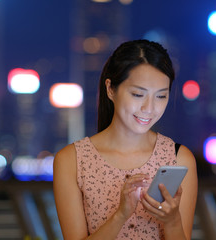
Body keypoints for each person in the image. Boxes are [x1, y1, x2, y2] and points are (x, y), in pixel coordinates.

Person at [53, 39, 198, 240]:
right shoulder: (72, 160)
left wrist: (172, 221)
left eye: (161, 96)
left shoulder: (179, 158)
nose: (149, 108)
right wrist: (121, 215)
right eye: (138, 94)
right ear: (110, 89)